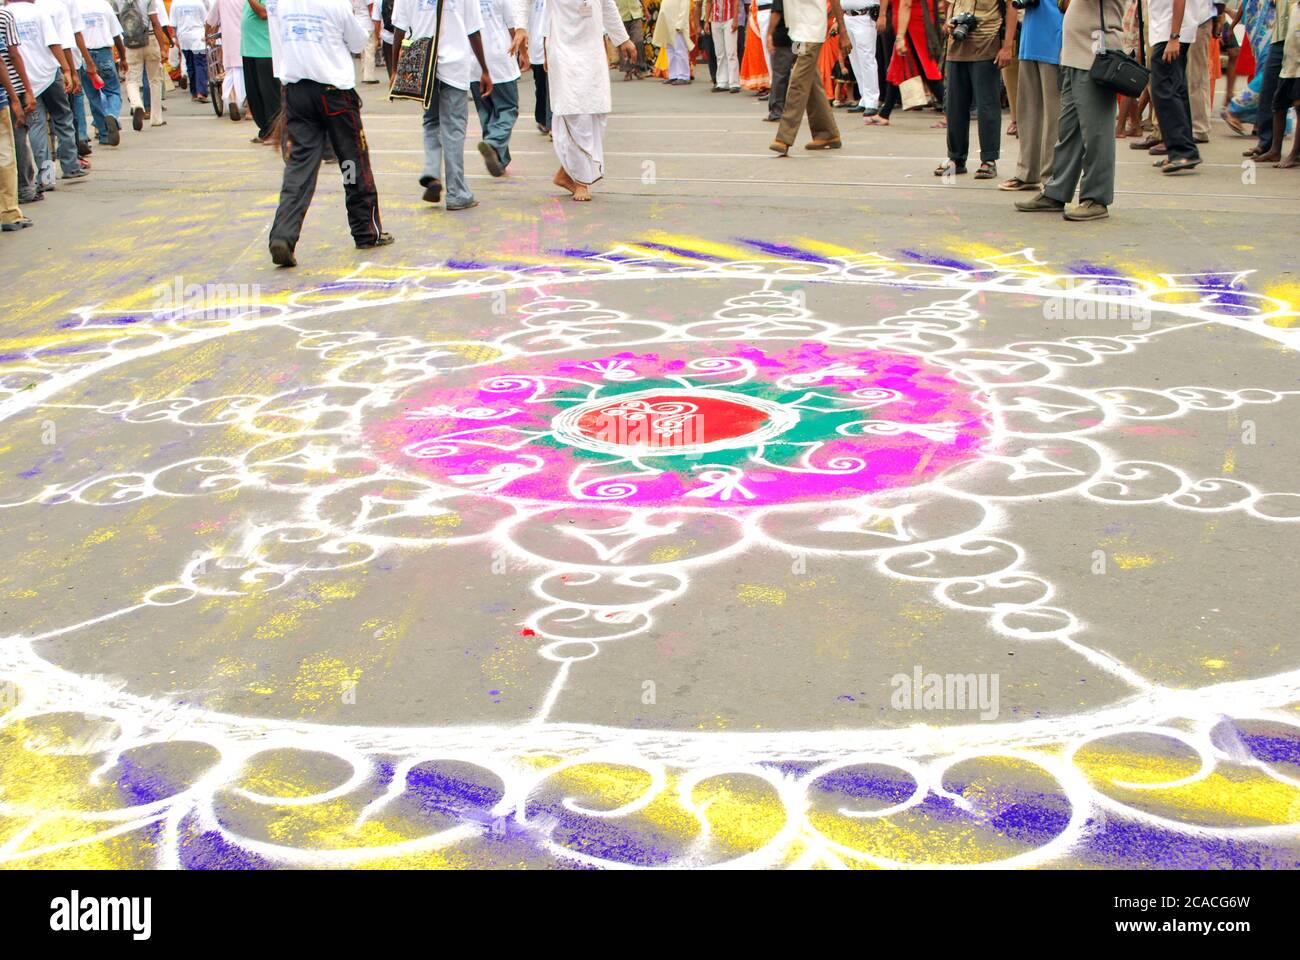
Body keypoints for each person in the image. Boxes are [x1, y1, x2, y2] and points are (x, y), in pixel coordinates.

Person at [267, 0, 389, 266]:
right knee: (351, 161)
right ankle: (365, 230)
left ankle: (283, 236)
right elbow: (358, 43)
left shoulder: (285, 5)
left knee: (300, 166)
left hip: (297, 91)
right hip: (334, 94)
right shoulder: (335, 4)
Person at [1015, 0, 1125, 220]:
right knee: (1068, 131)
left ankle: (1096, 198)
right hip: (1074, 55)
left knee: (1097, 133)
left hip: (1095, 56)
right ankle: (1056, 192)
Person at [391, 0, 493, 211]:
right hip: (454, 66)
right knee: (453, 129)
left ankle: (432, 174)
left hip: (424, 65)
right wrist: (484, 69)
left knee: (431, 121)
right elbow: (473, 31)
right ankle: (457, 193)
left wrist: (394, 69)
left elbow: (399, 31)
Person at [545, 0, 636, 200]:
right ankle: (581, 182)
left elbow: (607, 5)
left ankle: (566, 173)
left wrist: (623, 39)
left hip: (592, 51)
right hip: (563, 51)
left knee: (596, 112)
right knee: (575, 114)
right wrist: (521, 30)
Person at [935, 0, 1016, 181]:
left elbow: (1012, 7)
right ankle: (956, 158)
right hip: (956, 47)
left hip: (986, 46)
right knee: (954, 107)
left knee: (987, 107)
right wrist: (949, 22)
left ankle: (989, 160)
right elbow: (950, 5)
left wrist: (1007, 46)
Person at [10, 0, 85, 189]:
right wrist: (67, 70)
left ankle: (46, 178)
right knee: (63, 118)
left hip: (26, 82)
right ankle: (70, 166)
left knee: (37, 127)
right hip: (50, 76)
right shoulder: (39, 12)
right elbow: (54, 43)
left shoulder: (5, 15)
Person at [770, 0, 852, 153]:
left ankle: (784, 137)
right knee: (811, 81)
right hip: (795, 35)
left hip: (812, 32)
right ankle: (827, 134)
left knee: (798, 82)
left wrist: (843, 31)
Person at [1000, 0, 1062, 191]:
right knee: (1027, 112)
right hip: (1030, 40)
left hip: (1055, 39)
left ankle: (1052, 177)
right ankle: (1026, 172)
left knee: (1054, 116)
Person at [1148, 0, 1204, 173]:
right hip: (1168, 30)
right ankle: (1181, 149)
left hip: (1169, 33)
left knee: (1164, 91)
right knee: (1176, 90)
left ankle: (1182, 151)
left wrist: (1174, 37)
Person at [870, 0, 944, 125]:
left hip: (912, 23)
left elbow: (906, 4)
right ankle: (884, 113)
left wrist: (900, 36)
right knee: (897, 68)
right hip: (910, 22)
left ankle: (951, 112)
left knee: (927, 68)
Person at [473, 0, 524, 177]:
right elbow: (513, 27)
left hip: (473, 62)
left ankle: (499, 160)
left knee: (486, 112)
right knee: (508, 109)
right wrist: (523, 53)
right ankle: (493, 143)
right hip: (499, 58)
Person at [76, 0, 126, 144]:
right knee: (113, 92)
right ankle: (112, 115)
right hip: (104, 53)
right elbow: (116, 35)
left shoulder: (76, 7)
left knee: (93, 96)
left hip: (84, 55)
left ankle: (104, 134)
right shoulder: (104, 5)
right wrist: (123, 57)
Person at [113, 0, 167, 129]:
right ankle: (156, 118)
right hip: (150, 39)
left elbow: (116, 26)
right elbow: (155, 22)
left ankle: (137, 105)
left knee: (132, 79)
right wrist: (163, 47)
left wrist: (121, 54)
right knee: (155, 79)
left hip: (130, 42)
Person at [0, 10, 30, 230]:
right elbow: (4, 59)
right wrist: (14, 98)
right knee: (5, 155)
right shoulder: (4, 16)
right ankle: (10, 213)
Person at [1257, 0, 1296, 160]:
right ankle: (1268, 144)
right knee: (1269, 91)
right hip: (1280, 36)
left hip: (1297, 35)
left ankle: (1294, 152)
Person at [241, 0, 278, 142]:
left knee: (270, 96)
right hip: (249, 50)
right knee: (254, 95)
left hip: (265, 51)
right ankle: (265, 131)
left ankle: (275, 132)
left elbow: (264, 13)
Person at [205, 0, 245, 118]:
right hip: (247, 41)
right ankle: (249, 111)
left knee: (230, 72)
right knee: (247, 75)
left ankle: (232, 101)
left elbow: (211, 20)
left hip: (229, 42)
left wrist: (206, 34)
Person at [840, 0, 878, 114]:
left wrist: (883, 15)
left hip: (864, 16)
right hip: (847, 16)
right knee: (855, 60)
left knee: (867, 59)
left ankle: (872, 102)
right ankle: (864, 99)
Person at [170, 0, 210, 102]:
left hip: (183, 37)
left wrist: (176, 38)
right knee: (200, 64)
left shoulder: (175, 3)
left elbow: (173, 25)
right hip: (198, 36)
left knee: (190, 65)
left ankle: (194, 93)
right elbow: (206, 21)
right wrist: (207, 35)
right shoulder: (198, 2)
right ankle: (201, 92)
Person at [764, 0, 794, 119]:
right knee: (804, 74)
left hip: (783, 36)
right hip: (799, 35)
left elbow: (777, 13)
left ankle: (777, 110)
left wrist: (769, 34)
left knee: (780, 75)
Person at [654, 0, 693, 83]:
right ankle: (674, 75)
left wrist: (680, 23)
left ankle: (683, 76)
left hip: (677, 24)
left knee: (680, 50)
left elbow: (685, 7)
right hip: (667, 22)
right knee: (670, 50)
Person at [705, 0, 740, 91]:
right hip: (715, 20)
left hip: (729, 18)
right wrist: (706, 21)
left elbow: (736, 2)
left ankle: (734, 83)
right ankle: (722, 82)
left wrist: (735, 19)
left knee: (731, 52)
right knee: (719, 53)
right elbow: (708, 2)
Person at [527, 0, 548, 131]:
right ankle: (542, 119)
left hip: (553, 46)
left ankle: (552, 122)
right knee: (540, 87)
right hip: (536, 48)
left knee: (552, 88)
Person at [616, 0, 647, 78]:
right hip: (621, 16)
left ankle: (639, 69)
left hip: (636, 14)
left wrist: (646, 10)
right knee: (623, 42)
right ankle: (628, 70)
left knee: (638, 41)